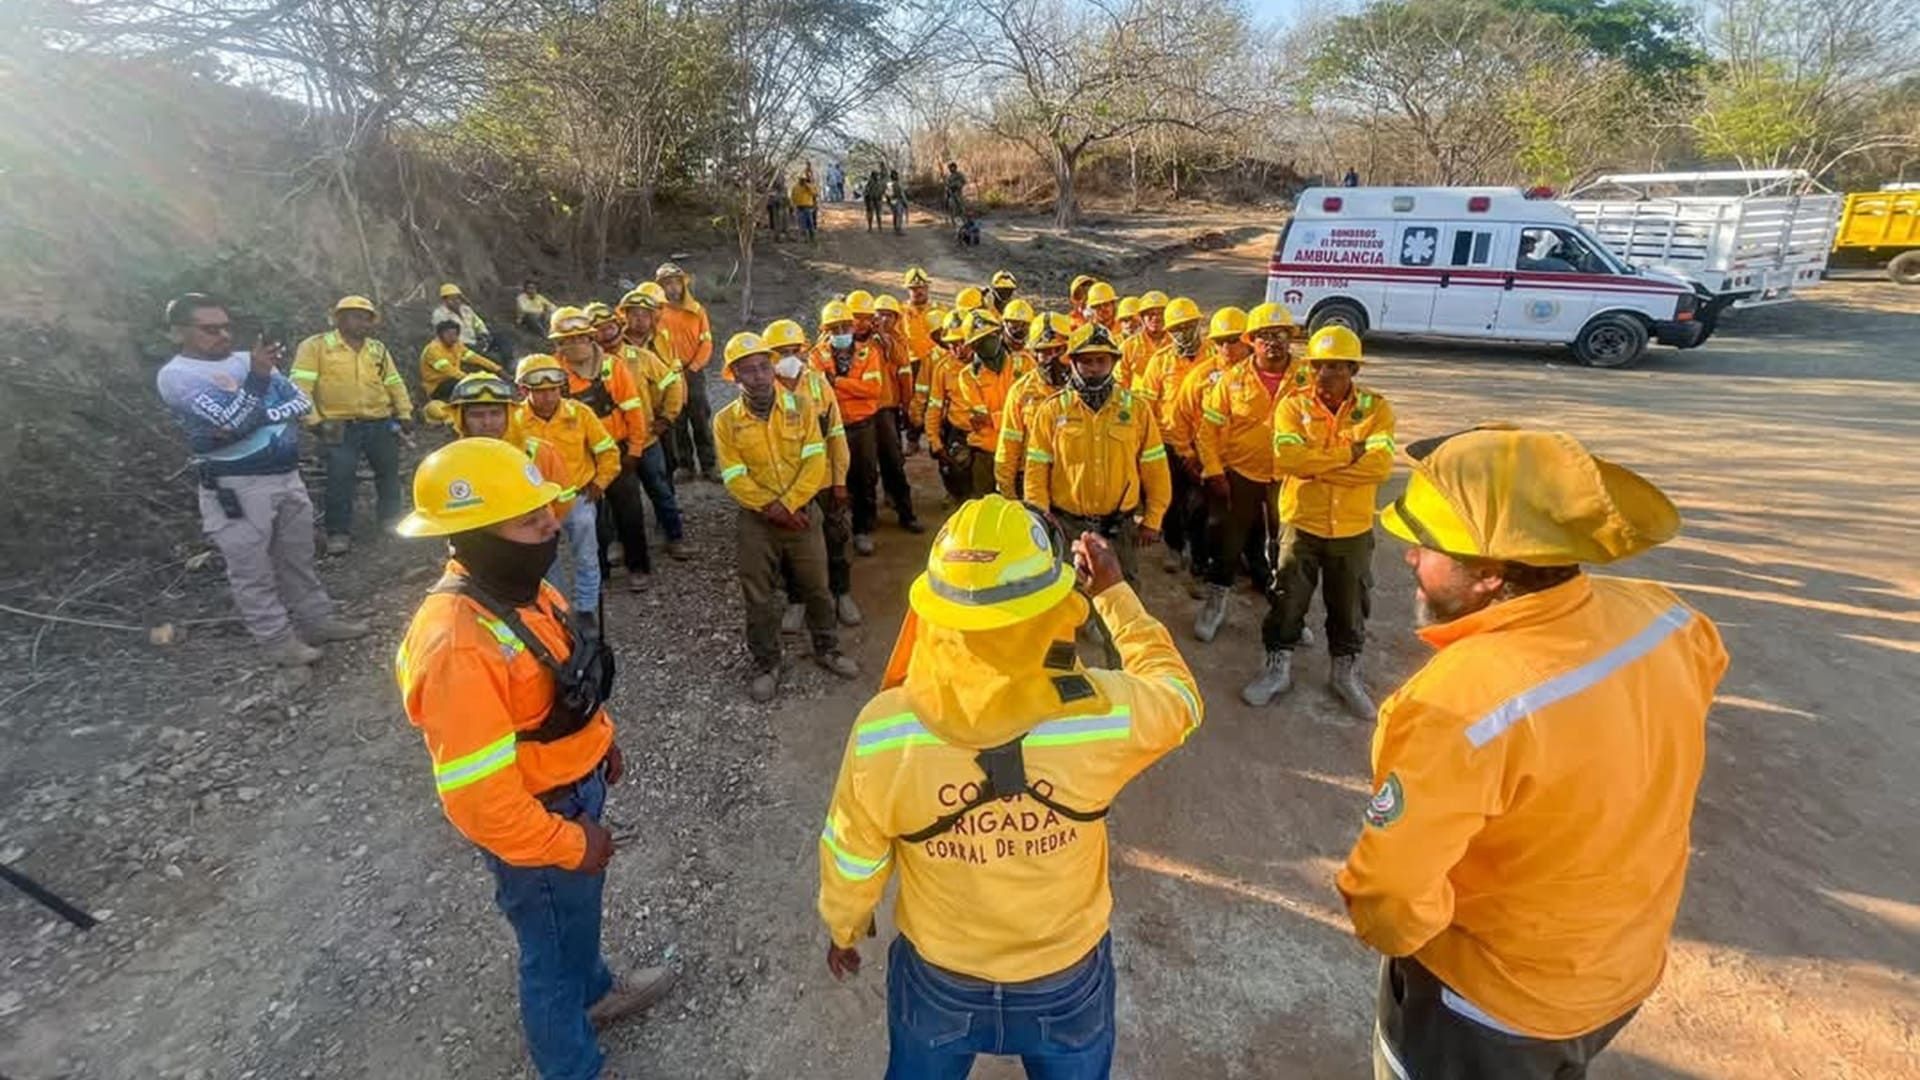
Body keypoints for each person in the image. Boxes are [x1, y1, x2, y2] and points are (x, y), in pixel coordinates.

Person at [1338, 426, 1728, 1080]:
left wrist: (1415, 944)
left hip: (1489, 1009)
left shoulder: (1457, 705)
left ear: (1490, 574)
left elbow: (1389, 896)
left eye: (1428, 546)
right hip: (1623, 967)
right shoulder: (1667, 618)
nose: (1409, 557)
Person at [816, 495, 1204, 1080]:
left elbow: (853, 852)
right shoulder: (1100, 714)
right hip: (1065, 979)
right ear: (1053, 603)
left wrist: (844, 929)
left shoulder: (884, 729)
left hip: (940, 977)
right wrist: (1116, 597)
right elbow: (1180, 698)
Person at [393, 438, 676, 1080]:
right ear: (472, 533)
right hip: (541, 824)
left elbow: (563, 678)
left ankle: (596, 992)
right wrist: (571, 843)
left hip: (574, 789)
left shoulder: (520, 590)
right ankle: (570, 1064)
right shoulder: (457, 646)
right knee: (548, 950)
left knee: (574, 921)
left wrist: (602, 740)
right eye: (530, 520)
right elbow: (480, 804)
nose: (552, 524)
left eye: (547, 509)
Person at [155, 293, 369, 668]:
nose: (222, 335)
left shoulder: (246, 360)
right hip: (235, 485)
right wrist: (256, 382)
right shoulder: (177, 376)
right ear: (178, 333)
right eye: (209, 329)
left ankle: (317, 621)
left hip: (286, 476)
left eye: (225, 326)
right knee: (251, 569)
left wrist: (256, 412)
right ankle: (277, 641)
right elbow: (231, 421)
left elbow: (299, 403)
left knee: (298, 558)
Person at [1244, 325, 1396, 717]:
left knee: (1349, 604)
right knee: (1287, 600)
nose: (1326, 375)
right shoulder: (1293, 406)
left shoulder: (1376, 410)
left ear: (1353, 369)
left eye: (1337, 367)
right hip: (1302, 524)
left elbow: (1379, 468)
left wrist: (1318, 465)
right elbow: (1289, 461)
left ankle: (1344, 674)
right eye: (1319, 366)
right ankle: (1277, 670)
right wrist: (1350, 454)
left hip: (1352, 528)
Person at [712, 331, 861, 702]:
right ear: (735, 376)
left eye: (764, 367)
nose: (759, 376)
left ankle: (827, 647)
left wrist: (791, 504)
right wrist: (771, 508)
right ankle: (767, 663)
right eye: (749, 371)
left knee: (816, 584)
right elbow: (733, 475)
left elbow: (815, 460)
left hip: (801, 512)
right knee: (758, 594)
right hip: (757, 518)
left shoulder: (801, 406)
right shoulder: (725, 422)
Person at [1024, 323, 1170, 588]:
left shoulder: (1137, 409)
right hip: (1067, 525)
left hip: (1119, 527)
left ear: (1113, 362)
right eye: (1086, 361)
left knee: (1123, 592)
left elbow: (1155, 467)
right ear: (1074, 363)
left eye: (1101, 360)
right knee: (1068, 591)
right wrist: (1040, 516)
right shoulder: (1051, 411)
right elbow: (1036, 469)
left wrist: (1153, 518)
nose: (1093, 368)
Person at [1195, 305, 1295, 643]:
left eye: (1279, 334)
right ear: (1251, 341)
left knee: (1288, 547)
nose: (1272, 343)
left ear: (1290, 338)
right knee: (1229, 540)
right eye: (1264, 336)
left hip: (1291, 477)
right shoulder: (1231, 380)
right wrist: (1214, 471)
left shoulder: (1308, 378)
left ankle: (1288, 610)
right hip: (1241, 474)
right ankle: (1215, 603)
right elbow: (1207, 431)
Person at [291, 294, 412, 555]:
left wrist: (404, 413)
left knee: (388, 474)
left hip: (379, 422)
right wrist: (313, 421)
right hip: (338, 425)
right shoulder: (316, 347)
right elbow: (301, 388)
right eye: (357, 316)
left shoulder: (377, 349)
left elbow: (393, 382)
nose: (364, 323)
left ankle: (391, 520)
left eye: (368, 318)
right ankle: (338, 532)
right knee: (339, 479)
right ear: (340, 318)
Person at [764, 318, 860, 630]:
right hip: (787, 486)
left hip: (824, 481)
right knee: (792, 547)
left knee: (835, 538)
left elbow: (836, 436)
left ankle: (842, 593)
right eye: (782, 352)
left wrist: (840, 482)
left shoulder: (819, 384)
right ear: (769, 357)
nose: (791, 358)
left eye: (796, 351)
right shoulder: (762, 392)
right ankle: (797, 600)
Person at [551, 305, 655, 592]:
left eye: (580, 337)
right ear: (557, 344)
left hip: (617, 450)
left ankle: (638, 567)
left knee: (629, 511)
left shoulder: (612, 366)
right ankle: (599, 572)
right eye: (567, 340)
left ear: (590, 337)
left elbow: (633, 409)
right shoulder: (551, 373)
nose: (575, 344)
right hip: (579, 456)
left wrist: (635, 448)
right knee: (589, 518)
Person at [513, 354, 620, 620]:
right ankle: (560, 611)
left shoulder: (579, 413)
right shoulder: (513, 422)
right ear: (524, 390)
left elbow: (608, 452)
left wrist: (599, 483)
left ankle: (586, 608)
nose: (549, 396)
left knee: (586, 555)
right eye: (541, 391)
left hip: (577, 500)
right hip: (537, 507)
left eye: (553, 389)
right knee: (547, 563)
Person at [812, 298, 909, 556]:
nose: (840, 333)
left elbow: (873, 390)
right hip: (833, 429)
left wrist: (839, 383)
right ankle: (836, 530)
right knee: (834, 480)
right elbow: (818, 392)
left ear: (852, 327)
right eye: (834, 329)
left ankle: (863, 530)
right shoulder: (816, 356)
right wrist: (848, 388)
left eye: (845, 327)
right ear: (826, 330)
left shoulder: (870, 353)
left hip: (862, 426)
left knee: (864, 477)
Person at [611, 288, 690, 558]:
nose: (639, 320)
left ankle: (673, 536)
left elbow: (674, 382)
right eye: (634, 314)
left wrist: (668, 416)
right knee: (621, 498)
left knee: (661, 487)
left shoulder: (658, 344)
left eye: (645, 315)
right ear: (624, 317)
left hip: (651, 431)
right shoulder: (607, 351)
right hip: (618, 439)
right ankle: (623, 543)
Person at [1157, 298, 1225, 598]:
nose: (1183, 333)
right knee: (1171, 498)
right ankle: (1174, 547)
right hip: (1171, 443)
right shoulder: (1160, 362)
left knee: (1202, 507)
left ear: (1199, 325)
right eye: (1176, 329)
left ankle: (1200, 559)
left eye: (1188, 326)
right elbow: (1146, 404)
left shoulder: (1216, 358)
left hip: (1208, 446)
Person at [948, 308, 1030, 498]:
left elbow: (1028, 414)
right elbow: (979, 422)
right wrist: (1008, 417)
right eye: (979, 341)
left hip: (1020, 454)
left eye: (989, 336)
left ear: (999, 333)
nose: (986, 344)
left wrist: (992, 419)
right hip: (985, 453)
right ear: (972, 346)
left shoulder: (1025, 364)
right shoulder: (968, 376)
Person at [993, 312, 1073, 499]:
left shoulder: (1085, 391)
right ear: (1033, 353)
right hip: (1031, 481)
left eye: (1059, 350)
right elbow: (1009, 444)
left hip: (1073, 483)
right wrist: (1008, 492)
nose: (1052, 358)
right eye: (1044, 351)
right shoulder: (1021, 392)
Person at [654, 263, 721, 483]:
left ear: (683, 284)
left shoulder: (697, 310)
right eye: (667, 284)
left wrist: (694, 367)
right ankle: (685, 465)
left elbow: (707, 343)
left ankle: (709, 465)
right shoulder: (656, 312)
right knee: (676, 420)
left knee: (700, 418)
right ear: (660, 287)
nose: (672, 288)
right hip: (668, 373)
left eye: (676, 283)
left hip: (693, 372)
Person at [919, 311, 975, 505]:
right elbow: (934, 407)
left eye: (962, 342)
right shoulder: (943, 369)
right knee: (955, 472)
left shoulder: (988, 366)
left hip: (986, 435)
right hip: (958, 432)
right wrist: (934, 440)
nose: (957, 349)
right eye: (952, 344)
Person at [419, 318, 503, 407]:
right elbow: (450, 371)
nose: (453, 337)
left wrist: (497, 369)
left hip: (454, 379)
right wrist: (471, 379)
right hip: (437, 386)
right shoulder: (433, 350)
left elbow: (475, 358)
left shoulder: (457, 345)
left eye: (455, 334)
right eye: (449, 334)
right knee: (468, 387)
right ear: (440, 335)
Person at [1119, 290, 1168, 386]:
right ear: (1142, 318)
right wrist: (1128, 401)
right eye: (1151, 314)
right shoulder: (1129, 347)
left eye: (1160, 313)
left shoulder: (1177, 345)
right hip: (1137, 399)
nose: (1156, 318)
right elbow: (1119, 382)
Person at [430, 283, 493, 354]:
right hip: (457, 348)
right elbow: (447, 337)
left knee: (502, 339)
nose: (456, 301)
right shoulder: (440, 314)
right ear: (444, 300)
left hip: (474, 343)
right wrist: (467, 345)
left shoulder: (466, 310)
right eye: (452, 299)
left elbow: (478, 323)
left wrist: (483, 333)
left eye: (457, 298)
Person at [791, 167, 819, 242]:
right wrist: (793, 206)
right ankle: (804, 238)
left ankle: (812, 237)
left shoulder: (809, 186)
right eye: (801, 179)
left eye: (804, 179)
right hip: (799, 207)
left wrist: (808, 186)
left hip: (808, 207)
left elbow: (815, 194)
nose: (802, 181)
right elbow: (793, 197)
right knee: (801, 223)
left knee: (810, 223)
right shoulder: (795, 187)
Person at [942, 160, 967, 225]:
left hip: (958, 193)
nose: (951, 169)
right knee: (951, 206)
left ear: (955, 167)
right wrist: (947, 189)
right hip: (951, 194)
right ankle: (952, 220)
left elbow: (964, 181)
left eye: (952, 167)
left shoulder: (959, 174)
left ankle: (963, 220)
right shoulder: (948, 176)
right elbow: (946, 185)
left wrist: (957, 184)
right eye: (950, 167)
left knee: (961, 207)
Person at [884, 169, 908, 235]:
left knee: (895, 215)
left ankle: (895, 228)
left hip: (892, 201)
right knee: (899, 215)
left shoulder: (888, 184)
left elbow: (886, 194)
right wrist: (905, 203)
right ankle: (898, 229)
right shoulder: (897, 184)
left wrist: (888, 202)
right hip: (898, 201)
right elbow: (901, 194)